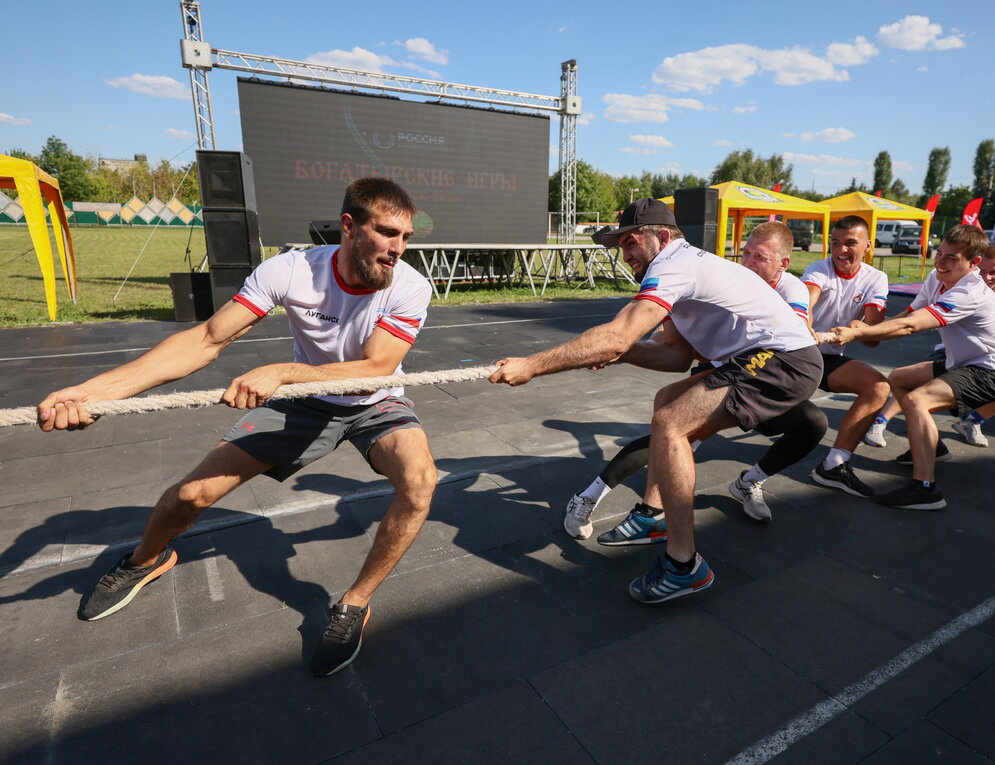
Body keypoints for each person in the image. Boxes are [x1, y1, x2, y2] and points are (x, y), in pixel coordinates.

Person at [37, 178, 437, 677]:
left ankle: (355, 603)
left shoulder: (410, 286)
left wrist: (281, 371)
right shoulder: (291, 270)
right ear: (349, 227)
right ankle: (145, 560)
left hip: (374, 402)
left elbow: (375, 368)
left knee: (420, 483)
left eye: (406, 238)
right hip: (305, 403)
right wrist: (94, 394)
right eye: (387, 233)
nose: (398, 249)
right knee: (188, 497)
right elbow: (205, 339)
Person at [491, 199, 821, 603]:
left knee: (671, 423)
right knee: (669, 400)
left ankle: (684, 565)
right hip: (759, 359)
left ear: (661, 237)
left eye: (630, 243)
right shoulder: (677, 273)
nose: (625, 255)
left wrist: (533, 364)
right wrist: (623, 351)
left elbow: (615, 334)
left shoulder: (673, 264)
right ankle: (652, 515)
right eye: (620, 246)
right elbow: (676, 356)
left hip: (784, 359)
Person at [561, 220, 826, 538]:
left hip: (762, 374)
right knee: (671, 429)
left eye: (760, 257)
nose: (749, 262)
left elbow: (791, 334)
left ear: (783, 264)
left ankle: (747, 483)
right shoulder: (729, 276)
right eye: (746, 253)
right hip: (722, 369)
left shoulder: (790, 288)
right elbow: (677, 345)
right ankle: (592, 498)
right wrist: (623, 348)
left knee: (812, 423)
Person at [830, 226, 995, 510]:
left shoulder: (970, 292)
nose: (940, 263)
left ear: (974, 263)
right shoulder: (937, 277)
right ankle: (933, 448)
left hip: (991, 371)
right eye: (939, 253)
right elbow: (909, 313)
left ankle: (925, 489)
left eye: (951, 258)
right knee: (899, 378)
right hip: (962, 363)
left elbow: (911, 326)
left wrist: (861, 334)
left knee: (918, 401)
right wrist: (872, 329)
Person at [864, 245, 995, 448]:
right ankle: (882, 420)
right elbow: (911, 315)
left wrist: (994, 313)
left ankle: (971, 421)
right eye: (982, 270)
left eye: (994, 272)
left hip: (984, 357)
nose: (986, 276)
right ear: (974, 265)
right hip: (952, 350)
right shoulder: (946, 280)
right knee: (915, 389)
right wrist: (876, 329)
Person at [801, 215, 891, 497]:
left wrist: (862, 329)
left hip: (825, 358)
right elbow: (806, 301)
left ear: (868, 246)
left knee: (879, 387)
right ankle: (688, 437)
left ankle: (834, 464)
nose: (840, 251)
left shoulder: (876, 279)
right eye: (835, 243)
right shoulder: (819, 269)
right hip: (794, 353)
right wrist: (806, 324)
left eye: (850, 243)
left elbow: (873, 340)